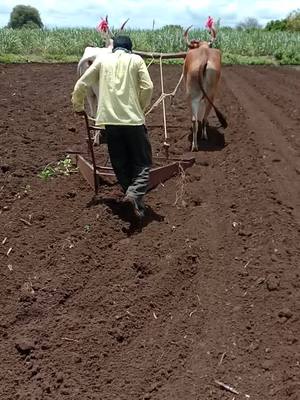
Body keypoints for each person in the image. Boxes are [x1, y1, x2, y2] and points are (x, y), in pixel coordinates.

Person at [72, 35, 154, 218]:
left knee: (119, 161)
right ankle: (133, 195)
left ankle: (131, 199)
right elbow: (148, 87)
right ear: (130, 49)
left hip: (109, 122)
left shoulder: (102, 60)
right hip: (133, 121)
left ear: (113, 48)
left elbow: (81, 84)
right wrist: (140, 107)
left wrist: (78, 106)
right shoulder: (136, 60)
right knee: (143, 162)